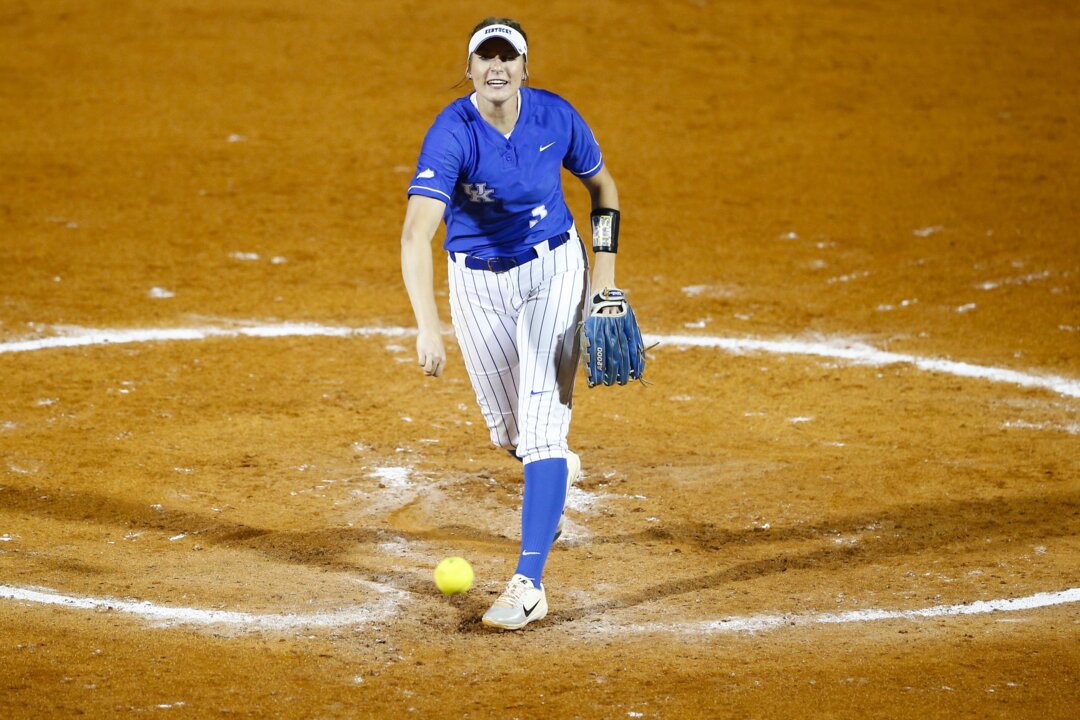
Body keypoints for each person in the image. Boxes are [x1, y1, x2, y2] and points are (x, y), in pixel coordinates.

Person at [400, 17, 624, 630]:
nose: (496, 67)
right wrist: (427, 326)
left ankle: (529, 585)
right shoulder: (452, 132)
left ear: (526, 68)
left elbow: (603, 188)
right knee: (512, 435)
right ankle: (555, 471)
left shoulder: (555, 117)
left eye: (508, 57)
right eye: (485, 57)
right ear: (469, 68)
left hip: (556, 271)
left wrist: (603, 278)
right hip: (476, 283)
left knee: (544, 432)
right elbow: (417, 234)